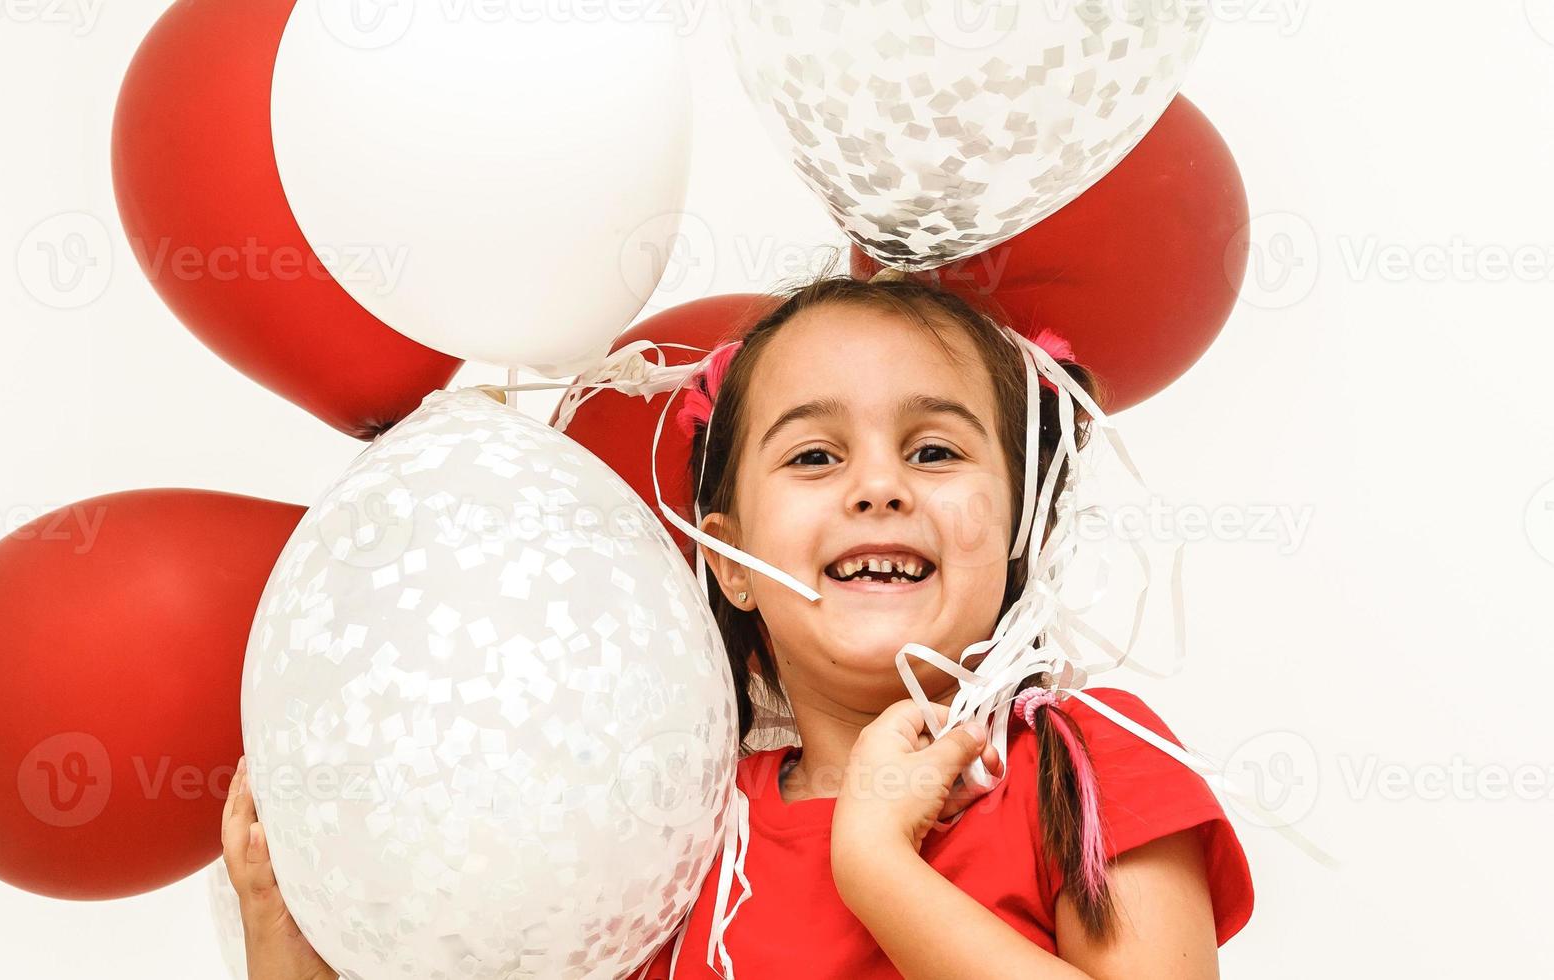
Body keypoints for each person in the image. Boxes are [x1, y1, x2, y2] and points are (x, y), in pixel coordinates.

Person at [224, 273, 1253, 979]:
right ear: (727, 558)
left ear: (1021, 522)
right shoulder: (673, 831)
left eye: (936, 449)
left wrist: (880, 867)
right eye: (814, 456)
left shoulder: (1084, 760)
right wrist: (283, 935)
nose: (881, 486)